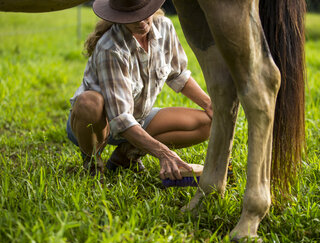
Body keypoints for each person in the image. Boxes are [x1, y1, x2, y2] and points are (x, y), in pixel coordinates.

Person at [66, 0, 213, 181]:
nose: (141, 22)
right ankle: (92, 164)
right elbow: (120, 120)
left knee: (208, 123)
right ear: (119, 17)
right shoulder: (111, 47)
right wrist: (164, 153)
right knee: (90, 102)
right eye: (132, 17)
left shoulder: (164, 27)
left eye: (144, 13)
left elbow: (178, 75)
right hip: (96, 125)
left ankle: (125, 156)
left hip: (138, 119)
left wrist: (211, 105)